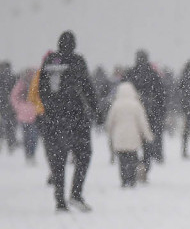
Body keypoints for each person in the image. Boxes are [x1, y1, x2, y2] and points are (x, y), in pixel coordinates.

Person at [38, 31, 98, 212]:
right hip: (75, 117)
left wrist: (49, 109)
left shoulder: (48, 62)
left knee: (57, 160)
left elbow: (41, 88)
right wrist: (95, 109)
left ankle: (59, 201)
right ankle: (76, 193)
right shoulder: (77, 61)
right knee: (84, 154)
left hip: (52, 119)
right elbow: (86, 87)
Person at [123, 50, 166, 178]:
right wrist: (160, 112)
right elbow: (161, 95)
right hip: (150, 114)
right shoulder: (153, 74)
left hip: (132, 114)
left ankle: (134, 165)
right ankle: (145, 166)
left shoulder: (130, 74)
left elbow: (123, 92)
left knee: (133, 142)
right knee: (148, 142)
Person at [105, 82, 154, 188]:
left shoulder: (116, 105)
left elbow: (110, 121)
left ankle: (124, 180)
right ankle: (132, 179)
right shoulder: (136, 104)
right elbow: (142, 122)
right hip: (133, 136)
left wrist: (109, 132)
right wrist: (148, 135)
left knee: (122, 160)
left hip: (119, 137)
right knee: (132, 158)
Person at [10, 68, 41, 163]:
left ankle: (30, 154)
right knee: (29, 136)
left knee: (32, 137)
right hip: (27, 114)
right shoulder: (22, 84)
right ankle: (29, 154)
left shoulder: (35, 84)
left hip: (31, 114)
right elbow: (14, 96)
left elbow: (13, 97)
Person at [0, 61, 16, 151]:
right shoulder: (12, 77)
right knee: (11, 126)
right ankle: (11, 143)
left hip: (2, 105)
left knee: (2, 125)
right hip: (10, 106)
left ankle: (1, 142)